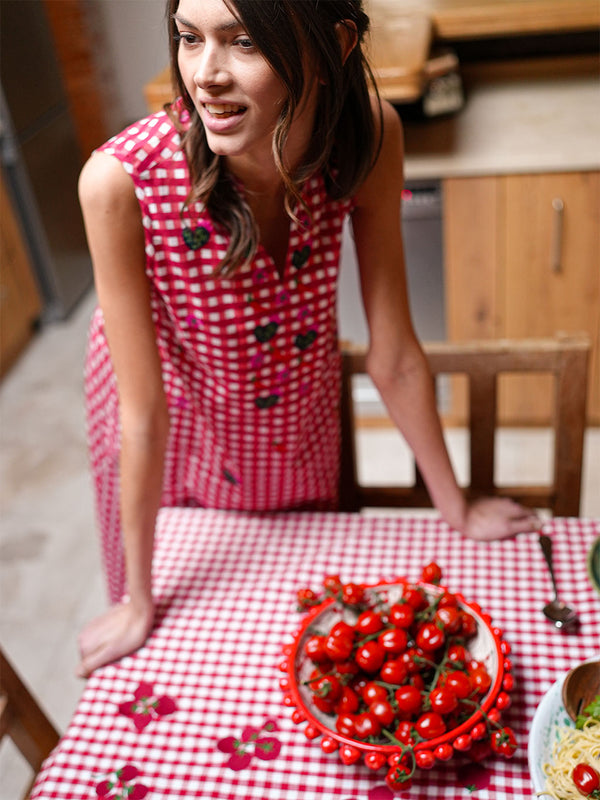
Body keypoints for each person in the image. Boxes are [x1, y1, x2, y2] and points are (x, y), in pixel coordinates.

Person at [76, 0, 539, 678]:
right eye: (188, 38)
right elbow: (143, 415)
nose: (205, 74)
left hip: (298, 398)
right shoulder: (119, 183)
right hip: (170, 410)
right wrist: (140, 601)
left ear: (335, 47)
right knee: (196, 640)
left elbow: (396, 353)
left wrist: (457, 508)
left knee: (310, 617)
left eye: (242, 43)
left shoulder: (367, 136)